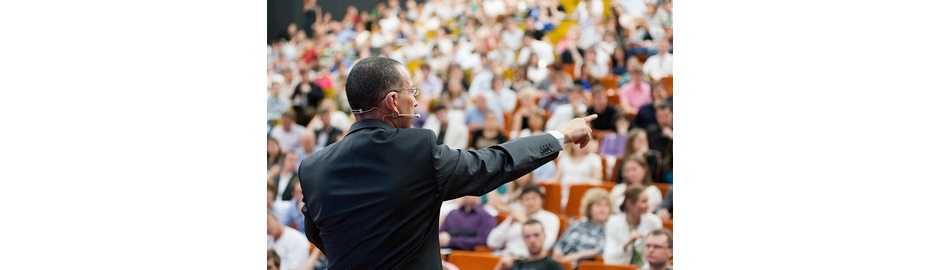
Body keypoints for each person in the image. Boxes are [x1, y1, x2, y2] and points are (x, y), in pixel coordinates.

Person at [298, 56, 597, 269]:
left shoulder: (312, 168)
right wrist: (561, 135)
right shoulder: (416, 150)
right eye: (411, 92)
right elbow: (494, 163)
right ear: (392, 101)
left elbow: (315, 232)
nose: (415, 101)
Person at [487, 184, 560, 258]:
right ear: (521, 202)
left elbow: (546, 244)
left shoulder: (551, 218)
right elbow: (492, 243)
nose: (530, 203)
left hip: (528, 259)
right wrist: (508, 223)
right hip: (506, 256)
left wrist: (524, 221)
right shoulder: (515, 217)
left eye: (534, 199)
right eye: (526, 199)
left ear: (542, 200)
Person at [603, 186, 663, 267]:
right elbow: (609, 257)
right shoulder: (613, 222)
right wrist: (627, 242)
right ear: (629, 203)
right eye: (643, 202)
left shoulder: (654, 221)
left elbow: (660, 251)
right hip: (621, 267)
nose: (647, 206)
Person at [551, 188, 612, 268]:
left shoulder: (609, 228)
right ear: (589, 208)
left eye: (606, 205)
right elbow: (560, 242)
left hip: (584, 264)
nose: (602, 209)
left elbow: (601, 249)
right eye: (598, 205)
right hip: (564, 260)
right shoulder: (578, 224)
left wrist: (577, 255)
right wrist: (557, 251)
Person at [494, 220, 565, 270]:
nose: (532, 240)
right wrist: (501, 266)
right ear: (523, 239)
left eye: (536, 235)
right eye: (527, 237)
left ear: (544, 236)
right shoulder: (518, 264)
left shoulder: (553, 266)